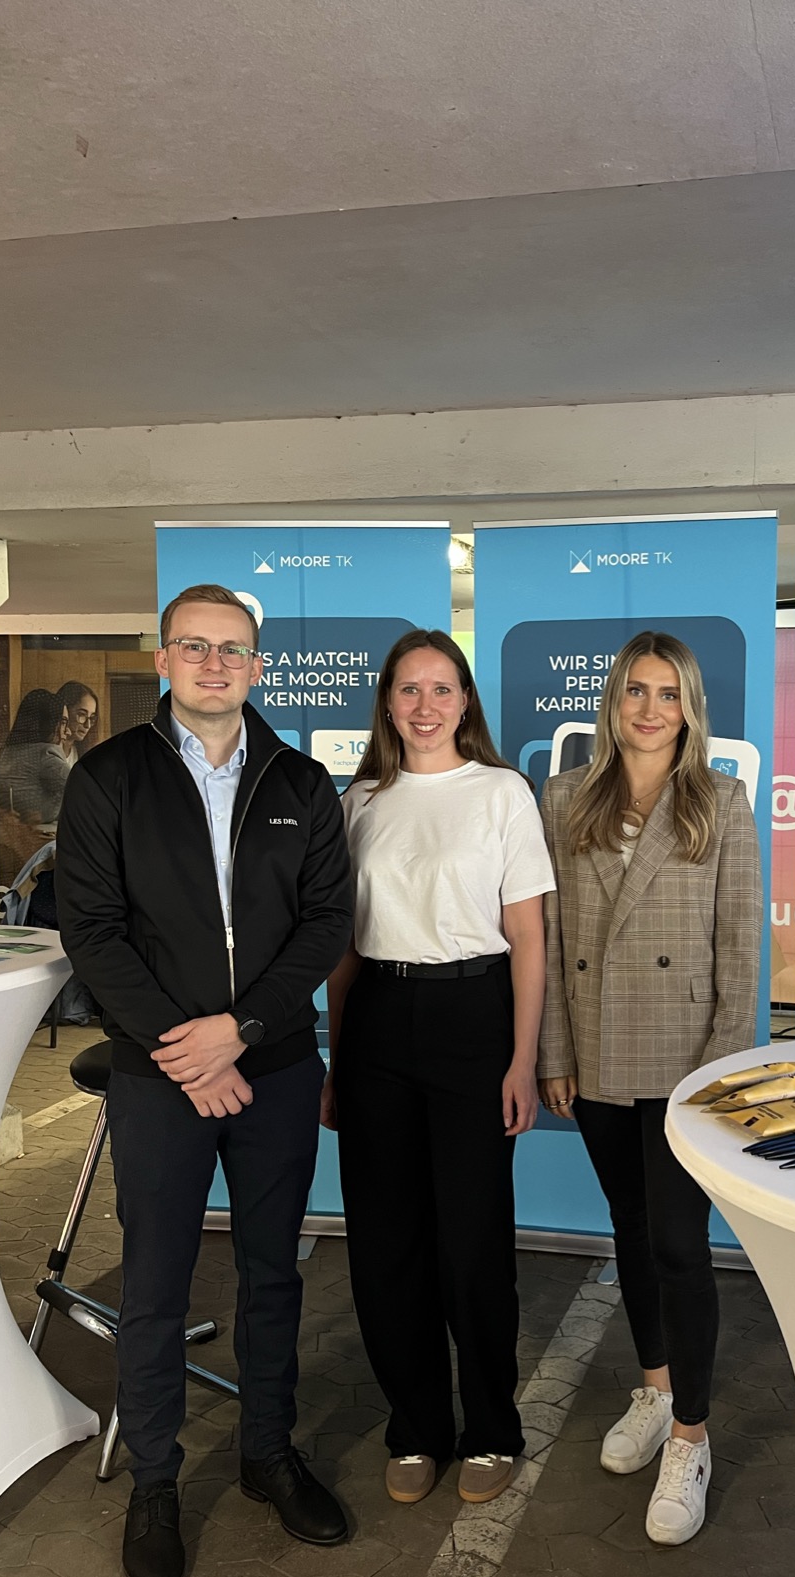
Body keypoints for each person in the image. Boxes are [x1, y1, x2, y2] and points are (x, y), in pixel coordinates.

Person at [55, 583, 353, 1577]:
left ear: (258, 666)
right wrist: (187, 1048)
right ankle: (155, 1483)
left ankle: (268, 1453)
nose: (214, 663)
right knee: (155, 1282)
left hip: (274, 1068)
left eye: (232, 649)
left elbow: (325, 923)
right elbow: (93, 931)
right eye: (195, 645)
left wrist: (241, 1030)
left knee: (273, 1273)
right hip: (158, 1076)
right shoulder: (109, 777)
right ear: (164, 657)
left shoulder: (300, 781)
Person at [537, 630, 762, 1547]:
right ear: (613, 700)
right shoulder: (565, 796)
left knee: (677, 1241)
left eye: (668, 694)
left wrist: (716, 1077)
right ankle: (656, 1387)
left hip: (682, 1061)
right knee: (628, 1227)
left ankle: (690, 1436)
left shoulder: (720, 801)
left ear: (689, 708)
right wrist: (554, 1050)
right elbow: (551, 937)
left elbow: (740, 950)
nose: (650, 708)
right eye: (636, 689)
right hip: (596, 1048)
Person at [323, 629, 553, 1508]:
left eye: (441, 688)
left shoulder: (501, 793)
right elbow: (345, 947)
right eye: (409, 689)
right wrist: (338, 1059)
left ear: (464, 702)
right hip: (378, 1020)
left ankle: (491, 1429)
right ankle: (415, 1425)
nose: (425, 705)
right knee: (386, 1242)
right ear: (387, 702)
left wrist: (521, 1059)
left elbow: (527, 935)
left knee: (472, 1242)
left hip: (473, 1016)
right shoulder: (359, 801)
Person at [0, 688, 70, 824]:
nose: (67, 731)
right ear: (48, 723)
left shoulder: (9, 752)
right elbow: (86, 787)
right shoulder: (46, 754)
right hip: (35, 832)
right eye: (63, 723)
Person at [56, 681, 100, 764]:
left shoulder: (81, 752)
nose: (88, 725)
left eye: (91, 718)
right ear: (65, 711)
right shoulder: (47, 751)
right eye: (82, 715)